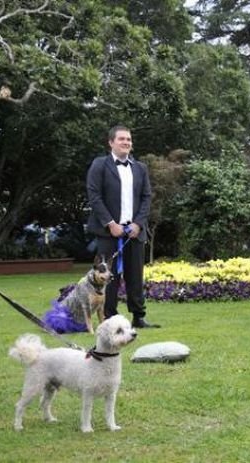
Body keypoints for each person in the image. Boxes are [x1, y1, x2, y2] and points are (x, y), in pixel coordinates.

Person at [86, 125, 160, 328]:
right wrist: (110, 223)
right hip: (109, 233)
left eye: (128, 139)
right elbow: (94, 196)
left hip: (134, 233)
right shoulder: (100, 165)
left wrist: (138, 223)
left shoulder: (140, 168)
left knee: (135, 275)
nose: (126, 142)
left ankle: (138, 317)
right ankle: (109, 318)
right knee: (109, 276)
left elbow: (146, 197)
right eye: (121, 139)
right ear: (111, 142)